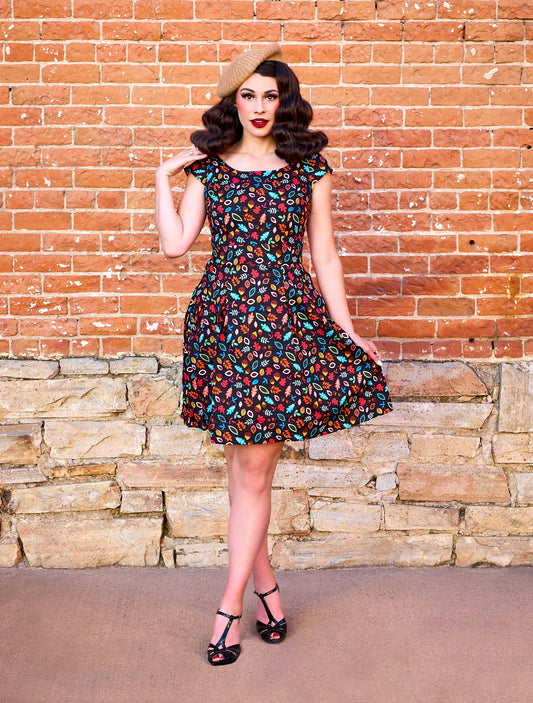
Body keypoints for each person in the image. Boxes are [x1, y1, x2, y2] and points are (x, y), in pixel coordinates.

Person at [155, 43, 392, 666]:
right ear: (233, 102)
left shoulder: (309, 171)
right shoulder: (209, 169)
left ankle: (229, 608)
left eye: (271, 94)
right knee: (245, 472)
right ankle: (268, 591)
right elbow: (178, 246)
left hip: (285, 330)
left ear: (285, 102)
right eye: (248, 94)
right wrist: (160, 181)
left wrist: (345, 329)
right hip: (226, 326)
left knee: (254, 471)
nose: (260, 106)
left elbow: (327, 257)